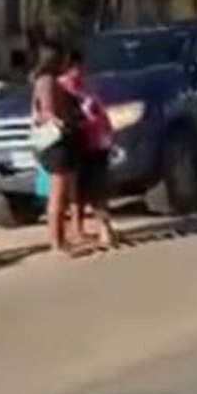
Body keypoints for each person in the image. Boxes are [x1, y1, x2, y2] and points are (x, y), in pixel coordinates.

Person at [59, 51, 118, 249]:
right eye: (75, 67)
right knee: (82, 192)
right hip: (79, 145)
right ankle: (84, 228)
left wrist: (107, 134)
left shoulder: (84, 89)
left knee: (95, 189)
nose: (79, 71)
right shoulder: (64, 89)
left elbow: (101, 114)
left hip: (95, 144)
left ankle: (101, 228)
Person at [30, 41, 83, 254]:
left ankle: (64, 237)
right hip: (56, 143)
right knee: (57, 195)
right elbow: (47, 111)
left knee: (64, 192)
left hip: (60, 142)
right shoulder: (47, 81)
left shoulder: (46, 80)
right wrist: (63, 121)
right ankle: (57, 242)